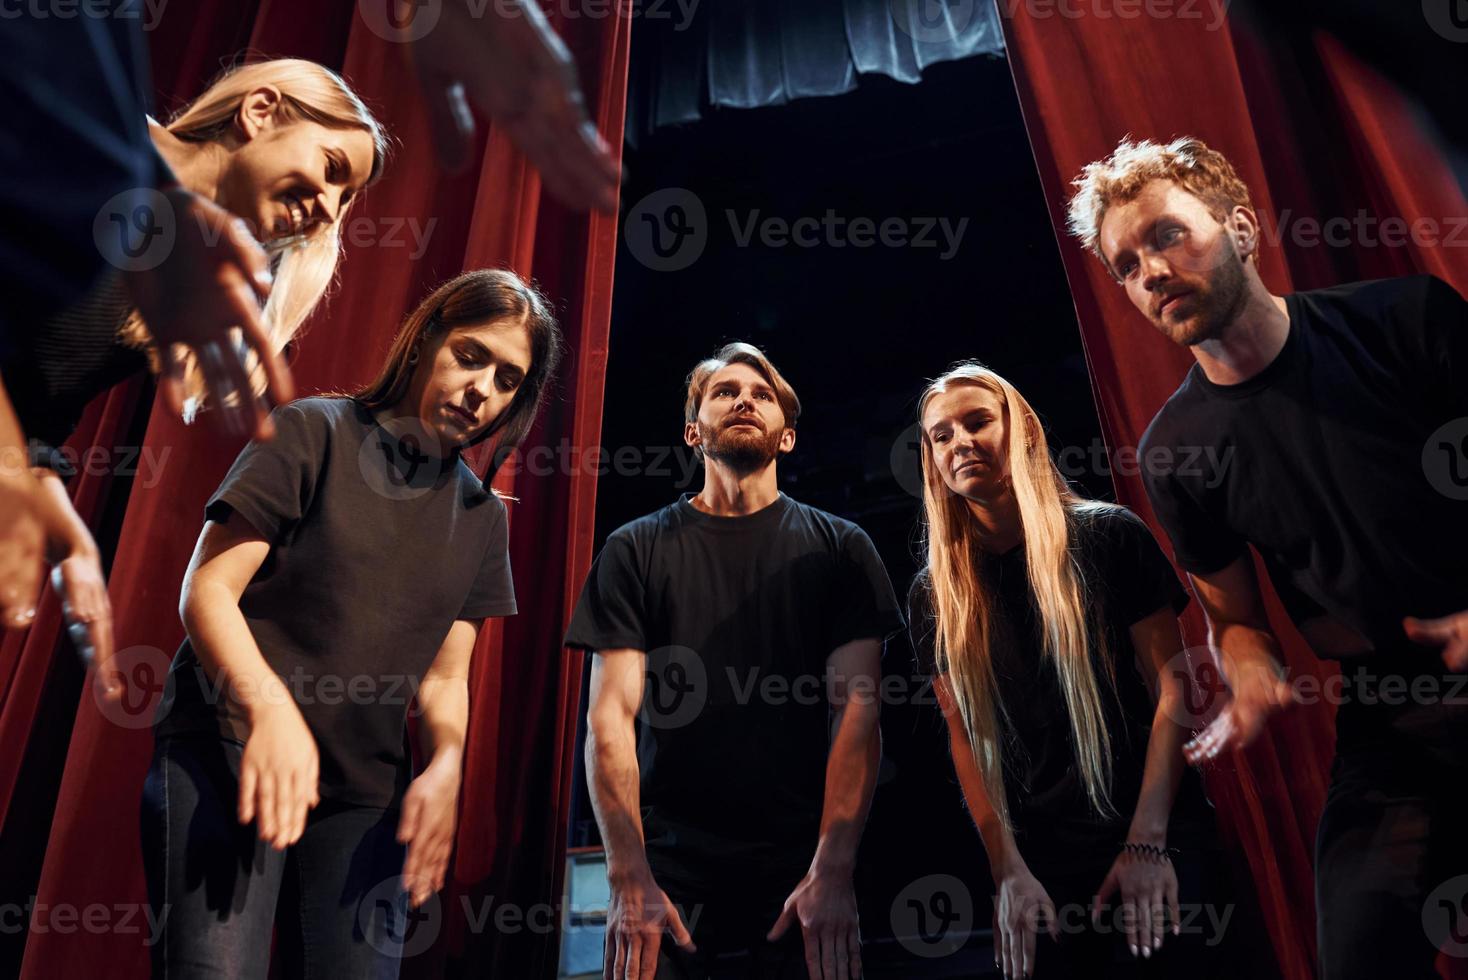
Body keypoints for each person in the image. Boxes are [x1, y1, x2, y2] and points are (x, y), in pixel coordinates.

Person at [1068, 135, 1468, 978]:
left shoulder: (1406, 320)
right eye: (1127, 264)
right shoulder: (1176, 451)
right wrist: (1246, 668)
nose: (1151, 273)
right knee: (1358, 953)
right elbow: (1237, 620)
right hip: (1395, 720)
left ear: (1241, 227)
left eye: (1168, 236)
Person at [140, 268, 563, 977]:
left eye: (508, 377)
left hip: (362, 799)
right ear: (426, 340)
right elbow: (206, 590)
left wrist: (448, 762)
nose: (482, 388)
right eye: (470, 355)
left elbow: (445, 677)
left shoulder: (483, 520)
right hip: (230, 751)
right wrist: (271, 713)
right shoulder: (314, 430)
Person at [1, 57, 388, 681]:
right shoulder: (92, 125)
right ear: (260, 112)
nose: (330, 209)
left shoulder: (168, 289)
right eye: (332, 170)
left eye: (346, 201)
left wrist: (59, 519)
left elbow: (34, 411)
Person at [566, 343, 904, 980]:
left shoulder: (842, 548)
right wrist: (627, 875)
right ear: (693, 431)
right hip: (668, 866)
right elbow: (609, 719)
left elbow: (856, 709)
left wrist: (832, 870)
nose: (745, 398)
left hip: (803, 863)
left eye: (762, 393)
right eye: (725, 391)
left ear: (788, 437)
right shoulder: (634, 549)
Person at [909, 362, 1255, 980]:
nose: (959, 441)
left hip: (1154, 830)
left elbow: (1174, 688)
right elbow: (965, 734)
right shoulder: (936, 593)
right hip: (1041, 864)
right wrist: (1006, 868)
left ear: (1023, 433)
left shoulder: (1107, 536)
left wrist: (1148, 841)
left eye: (977, 421)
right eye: (940, 435)